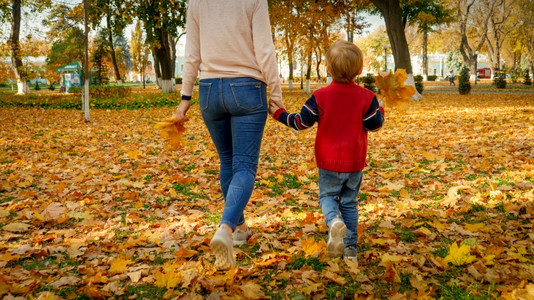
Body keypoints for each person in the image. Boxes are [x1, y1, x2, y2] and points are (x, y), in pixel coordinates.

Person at [175, 0, 284, 270]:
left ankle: (240, 229)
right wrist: (276, 93)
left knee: (227, 161)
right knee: (244, 165)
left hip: (210, 90)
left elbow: (192, 54)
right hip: (247, 87)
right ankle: (224, 228)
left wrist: (185, 97)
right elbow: (265, 49)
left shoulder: (196, 2)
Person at [269, 40, 384, 259]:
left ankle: (334, 221)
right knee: (350, 203)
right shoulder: (367, 97)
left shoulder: (320, 97)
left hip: (328, 161)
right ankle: (350, 249)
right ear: (359, 70)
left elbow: (302, 122)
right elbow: (374, 125)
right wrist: (381, 111)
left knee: (327, 197)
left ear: (328, 69)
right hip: (354, 162)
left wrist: (279, 114)